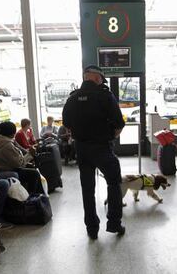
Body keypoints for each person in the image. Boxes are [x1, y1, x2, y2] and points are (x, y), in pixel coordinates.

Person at [62, 65, 126, 239]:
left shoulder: (73, 98)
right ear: (98, 78)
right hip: (102, 147)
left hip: (81, 149)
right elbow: (119, 123)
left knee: (87, 189)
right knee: (113, 183)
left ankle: (92, 229)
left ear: (85, 78)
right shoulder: (105, 95)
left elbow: (66, 124)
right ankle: (114, 223)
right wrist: (109, 137)